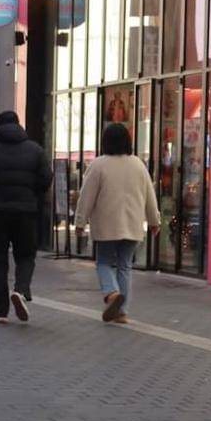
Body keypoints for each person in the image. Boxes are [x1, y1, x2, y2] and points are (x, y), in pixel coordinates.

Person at [74, 122, 161, 323]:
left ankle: (111, 293)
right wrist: (154, 221)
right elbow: (150, 195)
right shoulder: (138, 164)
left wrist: (80, 222)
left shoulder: (98, 165)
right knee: (125, 266)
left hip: (107, 226)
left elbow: (86, 197)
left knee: (103, 262)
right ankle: (122, 312)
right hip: (132, 225)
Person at [0, 110, 51, 323]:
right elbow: (45, 179)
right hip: (26, 212)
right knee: (26, 255)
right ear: (18, 124)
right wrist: (31, 192)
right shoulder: (35, 150)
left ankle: (1, 310)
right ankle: (21, 290)